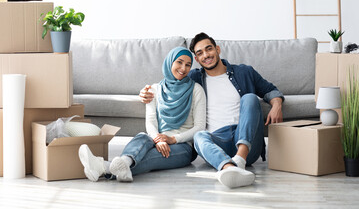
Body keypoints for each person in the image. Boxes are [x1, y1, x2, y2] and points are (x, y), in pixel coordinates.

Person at [140, 32, 284, 188]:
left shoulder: (244, 72)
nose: (206, 55)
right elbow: (168, 83)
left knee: (249, 98)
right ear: (196, 59)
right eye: (200, 53)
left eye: (209, 49)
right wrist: (145, 92)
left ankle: (239, 161)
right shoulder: (193, 79)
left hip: (246, 143)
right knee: (199, 135)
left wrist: (276, 105)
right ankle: (227, 168)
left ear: (217, 49)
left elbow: (271, 90)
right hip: (216, 143)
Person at [78, 47, 206, 182]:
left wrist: (172, 139)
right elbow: (150, 121)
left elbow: (199, 127)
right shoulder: (154, 89)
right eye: (179, 62)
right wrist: (158, 138)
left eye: (188, 65)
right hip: (157, 139)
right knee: (142, 136)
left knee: (151, 157)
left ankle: (103, 167)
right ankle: (124, 162)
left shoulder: (196, 90)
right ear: (170, 62)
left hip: (183, 146)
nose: (183, 68)